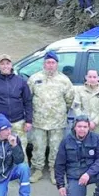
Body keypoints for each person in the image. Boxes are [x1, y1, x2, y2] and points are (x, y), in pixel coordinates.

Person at [28, 51, 75, 182]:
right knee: (38, 147)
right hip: (39, 120)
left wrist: (59, 111)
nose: (50, 65)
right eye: (48, 62)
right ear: (44, 63)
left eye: (53, 63)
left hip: (57, 121)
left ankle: (54, 170)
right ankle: (37, 170)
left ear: (57, 64)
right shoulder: (34, 79)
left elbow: (69, 99)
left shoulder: (64, 80)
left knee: (56, 147)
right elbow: (28, 98)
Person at [54, 115, 99, 196]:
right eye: (79, 126)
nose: (82, 129)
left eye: (85, 127)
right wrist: (60, 185)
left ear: (89, 128)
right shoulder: (66, 141)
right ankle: (76, 190)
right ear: (75, 127)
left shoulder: (96, 138)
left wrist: (88, 174)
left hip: (91, 174)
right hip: (75, 176)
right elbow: (59, 164)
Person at [0, 53, 32, 154]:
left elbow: (28, 102)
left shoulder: (21, 82)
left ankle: (21, 169)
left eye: (7, 63)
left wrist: (29, 120)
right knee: (0, 151)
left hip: (19, 122)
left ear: (11, 65)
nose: (5, 66)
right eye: (2, 64)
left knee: (21, 150)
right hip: (0, 124)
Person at [73, 69, 99, 138]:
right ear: (86, 77)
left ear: (98, 78)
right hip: (83, 127)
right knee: (82, 146)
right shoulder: (79, 91)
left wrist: (95, 122)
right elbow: (76, 107)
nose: (92, 79)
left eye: (94, 77)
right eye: (90, 77)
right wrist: (84, 121)